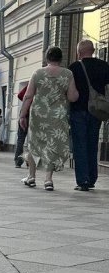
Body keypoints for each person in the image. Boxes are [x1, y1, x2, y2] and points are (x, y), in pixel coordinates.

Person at [19, 46, 78, 191]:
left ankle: (31, 176)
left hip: (39, 114)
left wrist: (22, 115)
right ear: (60, 59)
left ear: (47, 58)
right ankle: (48, 180)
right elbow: (72, 97)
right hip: (58, 115)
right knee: (53, 144)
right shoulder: (68, 74)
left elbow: (28, 96)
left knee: (34, 144)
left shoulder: (38, 73)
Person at [68, 39, 109, 190]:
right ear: (93, 51)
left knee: (80, 145)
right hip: (97, 111)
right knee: (92, 144)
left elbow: (69, 91)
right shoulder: (104, 66)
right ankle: (92, 178)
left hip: (78, 110)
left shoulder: (74, 68)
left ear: (79, 52)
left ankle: (83, 180)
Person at [14, 85, 29, 168]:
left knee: (20, 139)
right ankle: (31, 162)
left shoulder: (32, 82)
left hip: (25, 113)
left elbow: (20, 95)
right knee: (33, 140)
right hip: (38, 115)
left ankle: (18, 161)